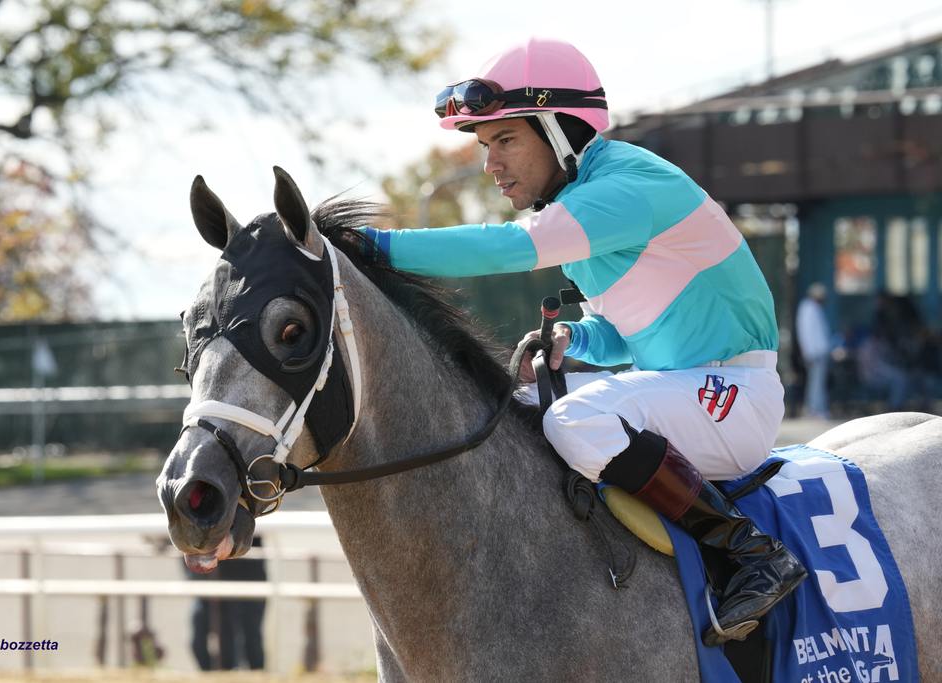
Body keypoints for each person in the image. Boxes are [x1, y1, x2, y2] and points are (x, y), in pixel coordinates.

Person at [359, 37, 806, 646]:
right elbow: (631, 332)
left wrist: (371, 247)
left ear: (562, 129)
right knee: (510, 417)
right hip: (687, 388)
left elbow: (508, 248)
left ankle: (750, 553)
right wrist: (577, 338)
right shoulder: (585, 198)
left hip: (734, 398)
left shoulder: (624, 186)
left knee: (575, 422)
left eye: (506, 139)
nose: (490, 164)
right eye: (485, 144)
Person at [186, 538, 267, 670]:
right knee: (199, 641)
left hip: (244, 579)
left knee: (249, 641)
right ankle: (213, 675)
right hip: (208, 584)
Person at [795, 282, 832, 418]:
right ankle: (815, 409)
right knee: (816, 384)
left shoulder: (814, 308)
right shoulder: (808, 308)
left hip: (818, 352)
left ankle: (815, 408)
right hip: (815, 353)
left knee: (817, 383)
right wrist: (809, 352)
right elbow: (806, 333)